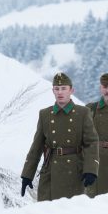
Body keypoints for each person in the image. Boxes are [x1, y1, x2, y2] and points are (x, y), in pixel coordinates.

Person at [20, 72, 99, 201]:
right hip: (50, 172)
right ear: (53, 91)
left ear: (71, 90)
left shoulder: (83, 113)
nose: (60, 92)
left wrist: (91, 169)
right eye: (57, 89)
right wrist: (27, 175)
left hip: (74, 171)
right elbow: (37, 146)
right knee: (46, 213)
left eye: (63, 89)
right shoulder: (45, 114)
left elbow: (91, 142)